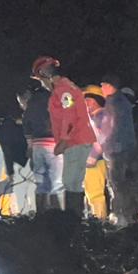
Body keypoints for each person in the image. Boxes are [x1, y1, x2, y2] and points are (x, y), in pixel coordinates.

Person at [33, 56, 96, 218]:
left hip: (75, 140)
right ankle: (76, 220)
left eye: (41, 80)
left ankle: (72, 221)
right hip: (79, 139)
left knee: (70, 182)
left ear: (45, 74)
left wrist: (64, 140)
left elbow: (69, 115)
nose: (42, 84)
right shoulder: (66, 88)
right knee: (74, 182)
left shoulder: (63, 90)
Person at [97, 76, 138, 223]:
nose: (101, 88)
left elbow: (111, 127)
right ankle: (128, 214)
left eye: (102, 85)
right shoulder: (120, 102)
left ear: (110, 85)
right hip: (123, 148)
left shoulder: (115, 102)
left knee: (117, 183)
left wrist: (102, 143)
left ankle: (120, 215)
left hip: (117, 150)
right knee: (123, 183)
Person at [22, 74, 61, 213]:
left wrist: (30, 146)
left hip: (38, 144)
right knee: (56, 183)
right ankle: (58, 217)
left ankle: (41, 214)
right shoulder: (60, 97)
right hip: (55, 144)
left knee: (40, 182)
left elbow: (27, 123)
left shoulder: (34, 101)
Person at [81, 85, 110, 220]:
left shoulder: (100, 116)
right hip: (96, 160)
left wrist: (92, 157)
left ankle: (99, 222)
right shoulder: (98, 116)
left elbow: (100, 138)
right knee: (92, 194)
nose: (85, 103)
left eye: (87, 100)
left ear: (94, 100)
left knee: (95, 194)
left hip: (95, 161)